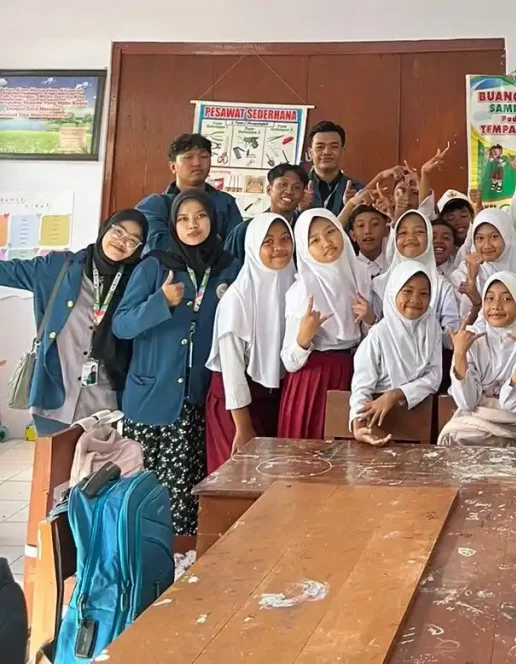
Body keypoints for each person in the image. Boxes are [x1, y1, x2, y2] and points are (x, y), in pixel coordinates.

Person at [113, 189, 238, 535]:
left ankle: (178, 573)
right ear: (172, 224)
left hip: (197, 402)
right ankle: (139, 569)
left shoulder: (227, 267)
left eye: (200, 216)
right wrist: (160, 303)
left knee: (183, 502)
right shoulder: (155, 264)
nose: (192, 224)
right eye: (183, 218)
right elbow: (122, 325)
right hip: (149, 400)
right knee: (140, 499)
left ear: (213, 220)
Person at [0, 210, 148, 435]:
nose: (122, 242)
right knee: (52, 467)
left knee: (94, 469)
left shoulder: (136, 282)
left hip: (104, 400)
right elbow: (6, 272)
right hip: (54, 394)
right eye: (118, 232)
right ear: (105, 228)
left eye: (132, 240)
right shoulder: (57, 267)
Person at [205, 213, 295, 473]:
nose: (278, 248)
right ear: (253, 247)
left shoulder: (295, 285)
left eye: (285, 239)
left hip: (273, 400)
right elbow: (232, 371)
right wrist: (243, 427)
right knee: (237, 478)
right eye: (268, 242)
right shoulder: (237, 299)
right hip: (236, 407)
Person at [278, 208, 373, 439]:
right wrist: (304, 338)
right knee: (310, 460)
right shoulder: (303, 290)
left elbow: (370, 339)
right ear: (305, 249)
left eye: (331, 231)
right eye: (315, 240)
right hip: (313, 380)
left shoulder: (360, 275)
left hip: (354, 373)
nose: (326, 243)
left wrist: (370, 319)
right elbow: (289, 361)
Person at [438, 271, 516, 447]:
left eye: (506, 299)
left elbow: (511, 404)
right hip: (470, 430)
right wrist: (459, 354)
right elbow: (467, 402)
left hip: (512, 430)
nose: (496, 306)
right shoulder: (471, 339)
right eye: (489, 298)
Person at [350, 263, 443, 446]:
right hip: (378, 422)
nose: (415, 299)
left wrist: (395, 395)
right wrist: (358, 426)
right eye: (407, 291)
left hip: (418, 421)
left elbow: (434, 376)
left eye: (424, 294)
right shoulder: (378, 335)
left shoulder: (432, 329)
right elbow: (361, 386)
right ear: (393, 293)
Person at [137, 133, 243, 253]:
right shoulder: (155, 205)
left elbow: (236, 248)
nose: (197, 163)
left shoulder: (226, 202)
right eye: (188, 157)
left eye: (204, 156)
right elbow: (156, 246)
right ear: (173, 167)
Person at [372, 210, 460, 344]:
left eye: (419, 232)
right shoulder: (379, 284)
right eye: (403, 233)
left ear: (429, 237)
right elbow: (368, 334)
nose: (410, 237)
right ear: (395, 239)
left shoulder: (441, 285)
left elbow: (452, 335)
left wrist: (420, 337)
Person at [449, 208, 516, 322]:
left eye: (494, 237)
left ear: (507, 238)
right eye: (480, 238)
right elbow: (460, 326)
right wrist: (471, 279)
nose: (487, 245)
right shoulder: (460, 275)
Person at [223, 163, 308, 261]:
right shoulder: (245, 230)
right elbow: (228, 271)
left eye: (297, 187)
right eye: (283, 185)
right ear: (269, 189)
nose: (289, 191)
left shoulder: (305, 232)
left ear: (302, 194)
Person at [304, 121, 362, 216]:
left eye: (334, 146)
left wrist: (351, 209)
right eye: (320, 147)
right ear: (310, 153)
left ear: (342, 152)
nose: (327, 152)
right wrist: (300, 209)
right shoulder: (298, 188)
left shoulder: (356, 190)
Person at [348, 204, 390, 278]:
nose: (367, 231)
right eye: (361, 225)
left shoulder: (393, 264)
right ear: (353, 235)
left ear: (386, 230)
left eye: (375, 224)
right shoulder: (348, 269)